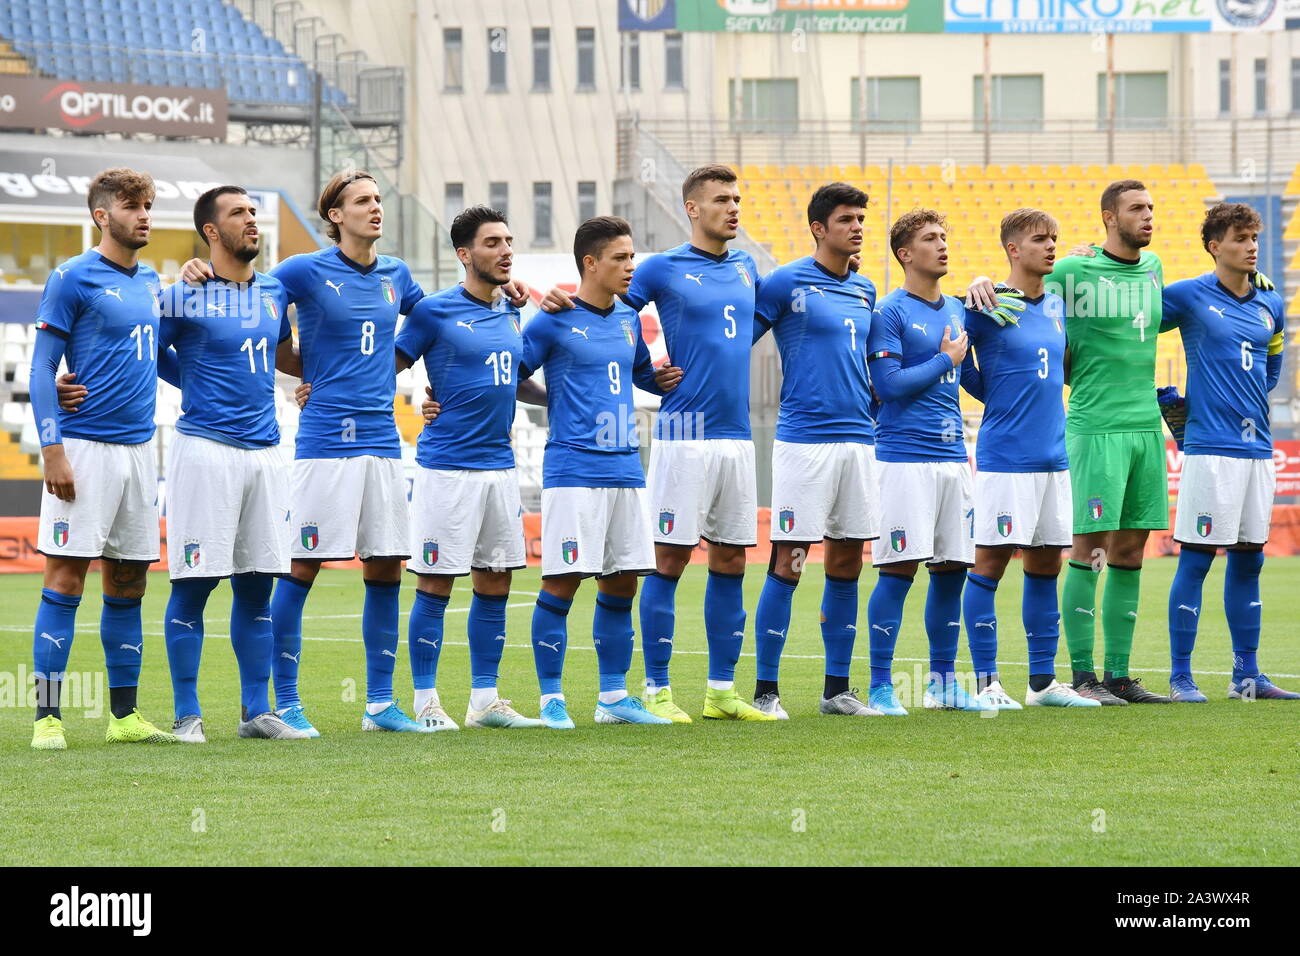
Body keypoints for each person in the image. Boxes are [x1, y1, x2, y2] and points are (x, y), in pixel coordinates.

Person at [29, 167, 177, 749]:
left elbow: (164, 362)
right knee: (65, 577)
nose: (144, 215)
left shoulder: (152, 283)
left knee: (129, 580)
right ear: (102, 215)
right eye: (133, 205)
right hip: (84, 448)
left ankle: (123, 717)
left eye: (148, 204)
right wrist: (52, 450)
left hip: (140, 451)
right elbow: (42, 368)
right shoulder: (70, 278)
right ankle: (47, 718)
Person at [157, 186, 311, 741]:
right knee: (195, 584)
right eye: (238, 214)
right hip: (205, 451)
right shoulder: (183, 293)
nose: (252, 220)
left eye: (253, 211)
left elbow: (283, 354)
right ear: (211, 232)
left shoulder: (273, 292)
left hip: (267, 452)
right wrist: (194, 384)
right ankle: (187, 716)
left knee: (256, 586)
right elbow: (150, 351)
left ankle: (254, 713)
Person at [521, 216, 683, 728]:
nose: (631, 266)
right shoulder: (552, 319)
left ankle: (613, 697)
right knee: (563, 581)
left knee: (621, 584)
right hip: (574, 468)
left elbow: (636, 374)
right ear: (590, 263)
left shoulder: (629, 320)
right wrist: (553, 400)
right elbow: (512, 375)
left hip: (625, 468)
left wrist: (659, 381)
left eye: (632, 256)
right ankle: (551, 699)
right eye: (620, 257)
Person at [394, 205, 548, 729]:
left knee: (496, 581)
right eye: (492, 243)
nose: (505, 250)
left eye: (509, 240)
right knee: (436, 583)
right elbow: (387, 367)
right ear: (464, 254)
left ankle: (485, 701)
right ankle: (424, 700)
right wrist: (417, 404)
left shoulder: (511, 310)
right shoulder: (434, 312)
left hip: (499, 468)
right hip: (448, 469)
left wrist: (558, 399)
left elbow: (510, 376)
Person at [749, 182, 881, 718]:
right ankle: (765, 691)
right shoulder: (785, 283)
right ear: (818, 228)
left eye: (860, 220)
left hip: (860, 441)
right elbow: (735, 342)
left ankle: (836, 691)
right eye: (846, 219)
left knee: (848, 560)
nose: (856, 228)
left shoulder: (867, 288)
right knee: (791, 560)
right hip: (806, 442)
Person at [960, 209, 1099, 709]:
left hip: (1053, 459)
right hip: (1006, 459)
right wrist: (993, 394)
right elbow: (956, 359)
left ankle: (1042, 684)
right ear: (1013, 249)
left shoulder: (1057, 305)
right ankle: (987, 683)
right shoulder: (987, 303)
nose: (1051, 246)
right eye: (1040, 239)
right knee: (990, 564)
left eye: (1055, 239)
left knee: (1045, 566)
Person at [1161, 203, 1295, 702]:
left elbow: (1272, 367)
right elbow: (1131, 328)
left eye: (1255, 238)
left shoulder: (1270, 303)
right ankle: (1180, 677)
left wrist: (1249, 405)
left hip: (1258, 450)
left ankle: (1247, 677)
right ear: (1216, 246)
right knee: (1196, 560)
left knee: (1249, 560)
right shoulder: (1188, 296)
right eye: (1240, 238)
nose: (1252, 246)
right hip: (1209, 450)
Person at [1047, 180, 1173, 704]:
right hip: (1096, 427)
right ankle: (1082, 676)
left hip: (1147, 426)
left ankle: (1119, 675)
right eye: (1136, 209)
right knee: (1091, 548)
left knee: (1131, 549)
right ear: (1108, 217)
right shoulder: (1072, 270)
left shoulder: (1155, 268)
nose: (1147, 216)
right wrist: (986, 280)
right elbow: (1024, 295)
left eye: (1150, 207)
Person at [864, 209, 990, 715]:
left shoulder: (960, 310)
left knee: (952, 568)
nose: (942, 245)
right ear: (904, 253)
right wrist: (945, 360)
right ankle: (878, 686)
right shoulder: (890, 312)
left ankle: (940, 683)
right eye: (930, 239)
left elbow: (976, 384)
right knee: (898, 569)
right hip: (903, 460)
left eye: (945, 236)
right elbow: (887, 387)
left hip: (953, 459)